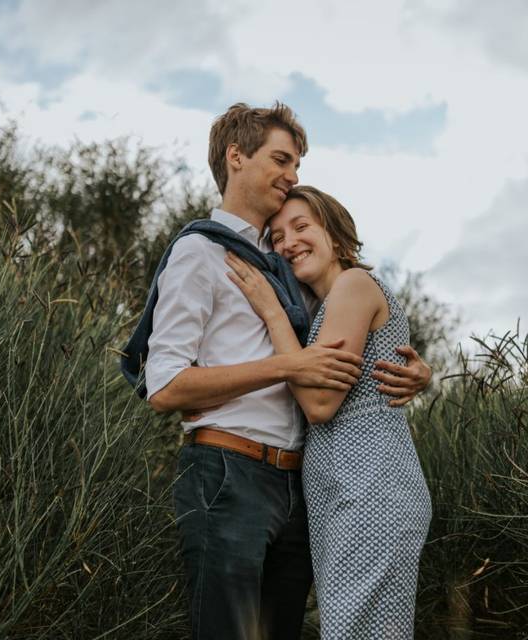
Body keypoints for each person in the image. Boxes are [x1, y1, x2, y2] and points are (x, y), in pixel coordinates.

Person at [137, 103, 432, 640]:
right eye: (281, 159)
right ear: (236, 157)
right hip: (230, 472)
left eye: (296, 165)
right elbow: (164, 385)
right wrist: (287, 363)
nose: (292, 175)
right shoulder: (199, 253)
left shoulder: (293, 272)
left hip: (301, 486)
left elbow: (358, 342)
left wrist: (418, 372)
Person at [224, 186, 432, 639]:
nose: (288, 242)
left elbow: (320, 405)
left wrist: (270, 312)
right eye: (277, 236)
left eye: (302, 227)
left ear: (336, 238)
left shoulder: (353, 286)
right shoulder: (324, 306)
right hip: (348, 492)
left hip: (370, 489)